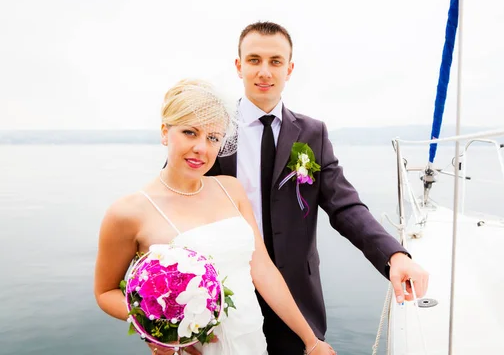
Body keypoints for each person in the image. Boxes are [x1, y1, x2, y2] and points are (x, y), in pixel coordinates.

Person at [205, 21, 430, 354]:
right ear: (239, 66)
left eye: (275, 61)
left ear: (289, 69)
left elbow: (345, 206)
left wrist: (394, 255)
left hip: (297, 298)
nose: (264, 71)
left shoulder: (312, 133)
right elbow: (175, 197)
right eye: (254, 60)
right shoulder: (212, 129)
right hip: (226, 293)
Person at [94, 79, 336, 355]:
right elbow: (105, 292)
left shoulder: (230, 189)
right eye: (189, 132)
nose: (201, 148)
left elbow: (263, 270)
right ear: (165, 132)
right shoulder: (128, 212)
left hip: (251, 342)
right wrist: (156, 329)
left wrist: (311, 340)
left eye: (213, 138)